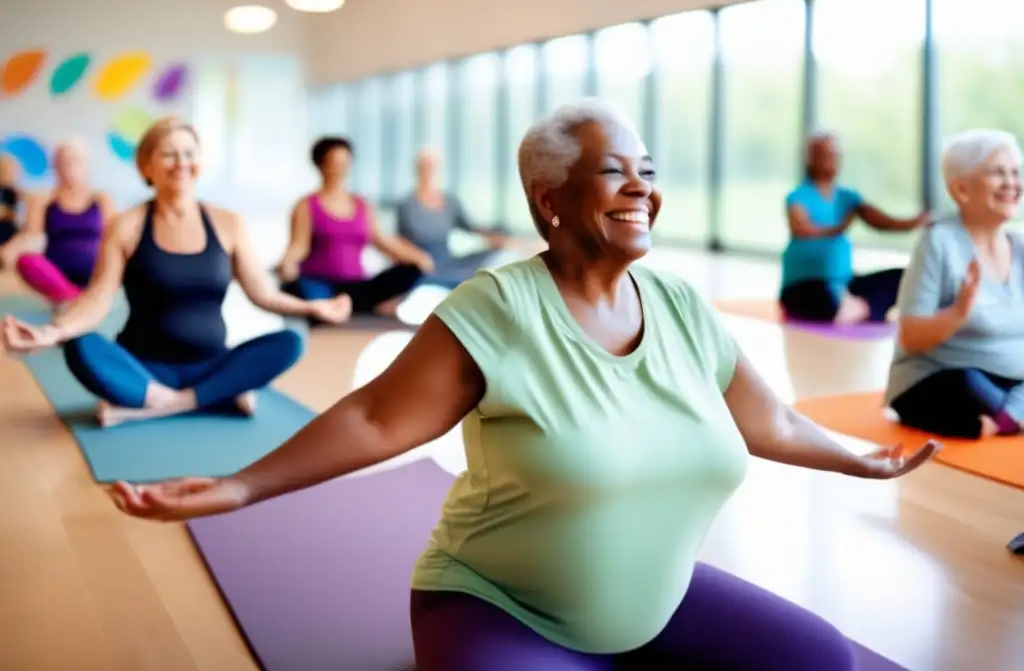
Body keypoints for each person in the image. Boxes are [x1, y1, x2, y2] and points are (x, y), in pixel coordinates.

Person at [108, 101, 939, 670]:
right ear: (551, 200)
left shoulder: (684, 305)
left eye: (647, 170)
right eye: (615, 173)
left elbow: (771, 422)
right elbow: (371, 418)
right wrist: (237, 485)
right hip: (501, 605)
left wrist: (855, 459)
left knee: (821, 660)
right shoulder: (497, 309)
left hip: (658, 599)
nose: (643, 188)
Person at [2, 117, 352, 428]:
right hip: (143, 367)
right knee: (79, 345)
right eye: (169, 154)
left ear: (198, 162)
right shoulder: (127, 225)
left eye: (188, 153)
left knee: (290, 342)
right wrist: (50, 332)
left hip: (211, 364)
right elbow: (98, 298)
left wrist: (312, 308)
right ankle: (211, 398)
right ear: (147, 165)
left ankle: (162, 405)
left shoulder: (229, 223)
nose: (181, 163)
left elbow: (262, 293)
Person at [886, 129, 1024, 439]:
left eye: (1016, 172)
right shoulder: (939, 242)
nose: (1012, 183)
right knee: (967, 384)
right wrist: (958, 313)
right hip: (942, 379)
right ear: (961, 189)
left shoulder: (1020, 246)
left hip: (1013, 383)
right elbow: (911, 335)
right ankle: (1008, 417)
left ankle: (1003, 419)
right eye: (998, 173)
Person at [780, 131, 929, 324]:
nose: (832, 160)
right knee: (822, 299)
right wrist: (840, 227)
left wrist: (914, 223)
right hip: (806, 284)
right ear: (810, 158)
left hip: (845, 282)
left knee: (905, 278)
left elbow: (879, 221)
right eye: (825, 154)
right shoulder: (797, 196)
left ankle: (855, 307)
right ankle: (854, 308)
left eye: (835, 155)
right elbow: (801, 228)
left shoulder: (847, 196)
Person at [278, 137, 432, 319]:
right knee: (297, 288)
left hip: (357, 286)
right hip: (320, 285)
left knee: (411, 270)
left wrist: (418, 258)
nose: (340, 169)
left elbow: (381, 241)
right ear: (320, 165)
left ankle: (360, 305)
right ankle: (333, 308)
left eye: (344, 163)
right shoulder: (306, 206)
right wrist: (287, 263)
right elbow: (298, 245)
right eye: (333, 163)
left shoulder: (363, 205)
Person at [0, 141, 115, 306]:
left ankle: (75, 300)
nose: (70, 167)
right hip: (56, 273)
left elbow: (113, 236)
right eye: (64, 161)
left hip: (94, 271)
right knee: (27, 261)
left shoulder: (101, 199)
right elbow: (29, 234)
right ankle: (74, 299)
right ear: (55, 166)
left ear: (86, 165)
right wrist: (9, 250)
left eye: (75, 160)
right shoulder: (43, 199)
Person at [396, 147, 509, 289]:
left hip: (448, 263)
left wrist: (493, 237)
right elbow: (399, 243)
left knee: (490, 259)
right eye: (425, 166)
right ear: (417, 169)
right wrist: (417, 258)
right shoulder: (407, 205)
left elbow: (470, 226)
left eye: (432, 166)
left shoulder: (449, 201)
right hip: (420, 267)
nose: (428, 170)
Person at [0, 152, 21, 248]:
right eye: (5, 170)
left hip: (11, 238)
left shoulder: (15, 193)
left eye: (12, 171)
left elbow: (18, 217)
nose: (10, 174)